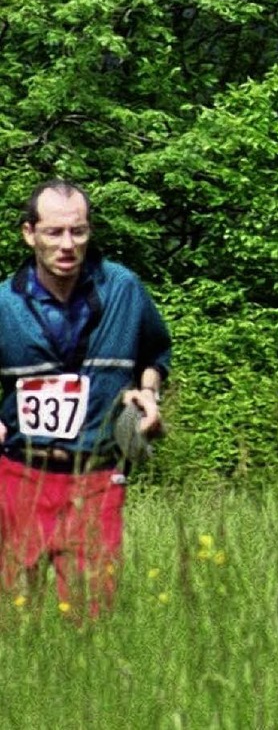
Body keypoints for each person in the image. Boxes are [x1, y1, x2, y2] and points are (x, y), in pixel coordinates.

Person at [0, 180, 171, 617]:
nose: (67, 244)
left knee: (90, 617)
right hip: (19, 475)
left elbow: (154, 352)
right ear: (29, 233)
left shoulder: (123, 290)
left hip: (96, 477)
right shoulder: (4, 304)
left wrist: (149, 395)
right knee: (12, 615)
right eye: (54, 232)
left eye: (78, 231)